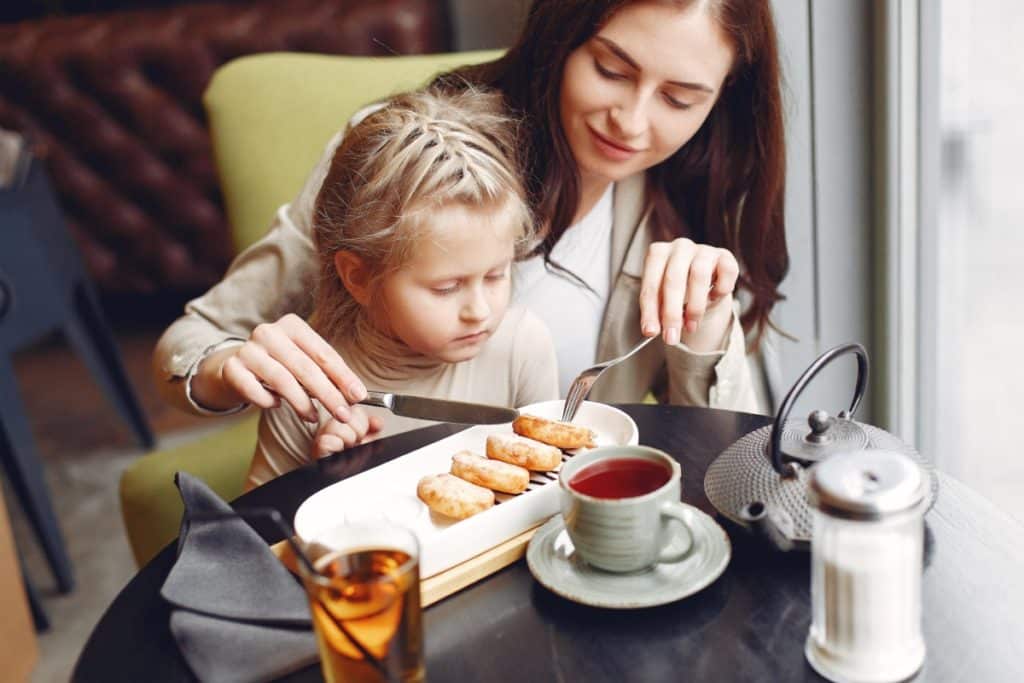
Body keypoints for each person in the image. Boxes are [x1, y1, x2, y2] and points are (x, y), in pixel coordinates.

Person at [154, 0, 788, 444]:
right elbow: (194, 341)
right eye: (611, 71)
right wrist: (226, 368)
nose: (631, 121)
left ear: (722, 99)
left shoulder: (691, 211)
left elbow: (729, 456)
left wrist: (708, 325)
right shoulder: (406, 164)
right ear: (561, 39)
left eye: (679, 99)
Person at [246, 88, 557, 488]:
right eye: (447, 288)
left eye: (497, 275)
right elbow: (255, 522)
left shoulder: (521, 348)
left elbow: (550, 486)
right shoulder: (308, 381)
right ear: (358, 277)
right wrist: (322, 482)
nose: (480, 310)